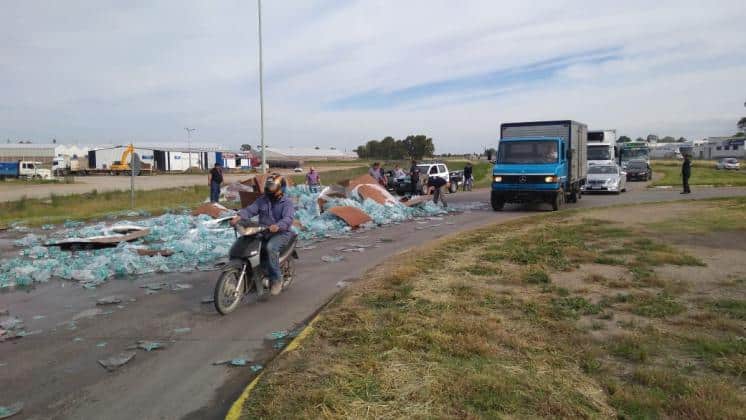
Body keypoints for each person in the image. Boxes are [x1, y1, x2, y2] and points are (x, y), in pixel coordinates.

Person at [230, 174, 295, 296]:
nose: (270, 192)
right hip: (263, 231)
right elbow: (250, 210)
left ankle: (276, 279)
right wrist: (238, 217)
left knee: (270, 247)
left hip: (281, 233)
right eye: (269, 187)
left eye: (273, 188)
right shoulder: (263, 200)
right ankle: (248, 275)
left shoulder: (287, 203)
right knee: (247, 244)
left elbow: (288, 219)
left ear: (281, 189)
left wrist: (278, 225)